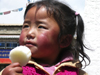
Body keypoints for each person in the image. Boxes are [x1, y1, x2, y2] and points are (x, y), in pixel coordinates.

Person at [0, 0, 90, 75]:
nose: (29, 33)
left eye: (41, 27)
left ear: (64, 40)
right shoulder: (13, 71)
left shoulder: (78, 73)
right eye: (26, 26)